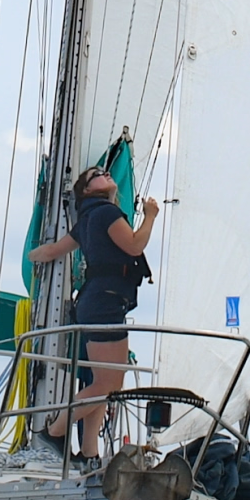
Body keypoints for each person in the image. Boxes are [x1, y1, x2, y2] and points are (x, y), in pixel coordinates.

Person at [26, 165, 159, 463]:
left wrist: (31, 257)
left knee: (104, 382)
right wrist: (150, 215)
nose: (106, 173)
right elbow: (135, 245)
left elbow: (52, 251)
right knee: (108, 384)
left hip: (97, 302)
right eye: (98, 173)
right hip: (105, 303)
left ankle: (89, 452)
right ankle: (55, 432)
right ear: (87, 189)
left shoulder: (86, 218)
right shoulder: (107, 214)